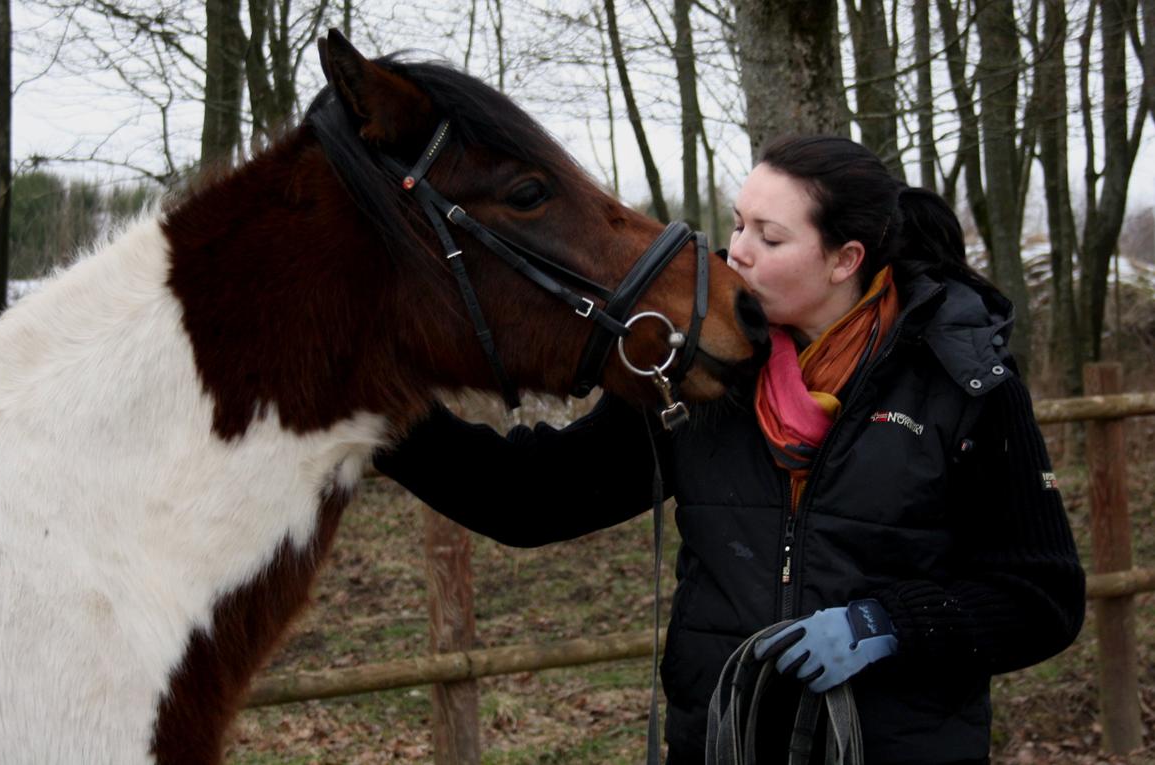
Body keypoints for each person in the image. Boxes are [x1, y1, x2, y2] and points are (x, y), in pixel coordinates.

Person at [374, 135, 1085, 764]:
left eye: (770, 238)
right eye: (738, 224)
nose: (735, 252)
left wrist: (892, 624)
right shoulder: (699, 372)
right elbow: (533, 497)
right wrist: (372, 412)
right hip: (720, 743)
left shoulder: (963, 380)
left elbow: (1042, 596)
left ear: (845, 260)